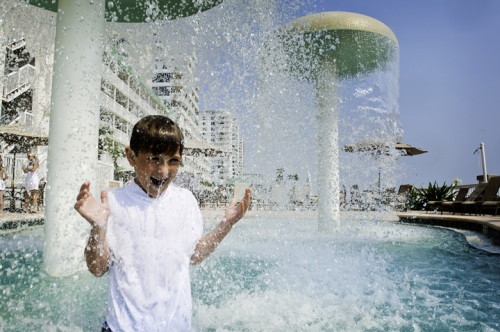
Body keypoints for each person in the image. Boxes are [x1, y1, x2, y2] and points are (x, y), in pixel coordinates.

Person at [74, 115, 251, 332]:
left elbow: (194, 255)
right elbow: (97, 268)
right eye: (154, 159)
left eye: (173, 161)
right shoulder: (112, 203)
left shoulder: (185, 201)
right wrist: (98, 227)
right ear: (131, 156)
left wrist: (226, 224)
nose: (163, 171)